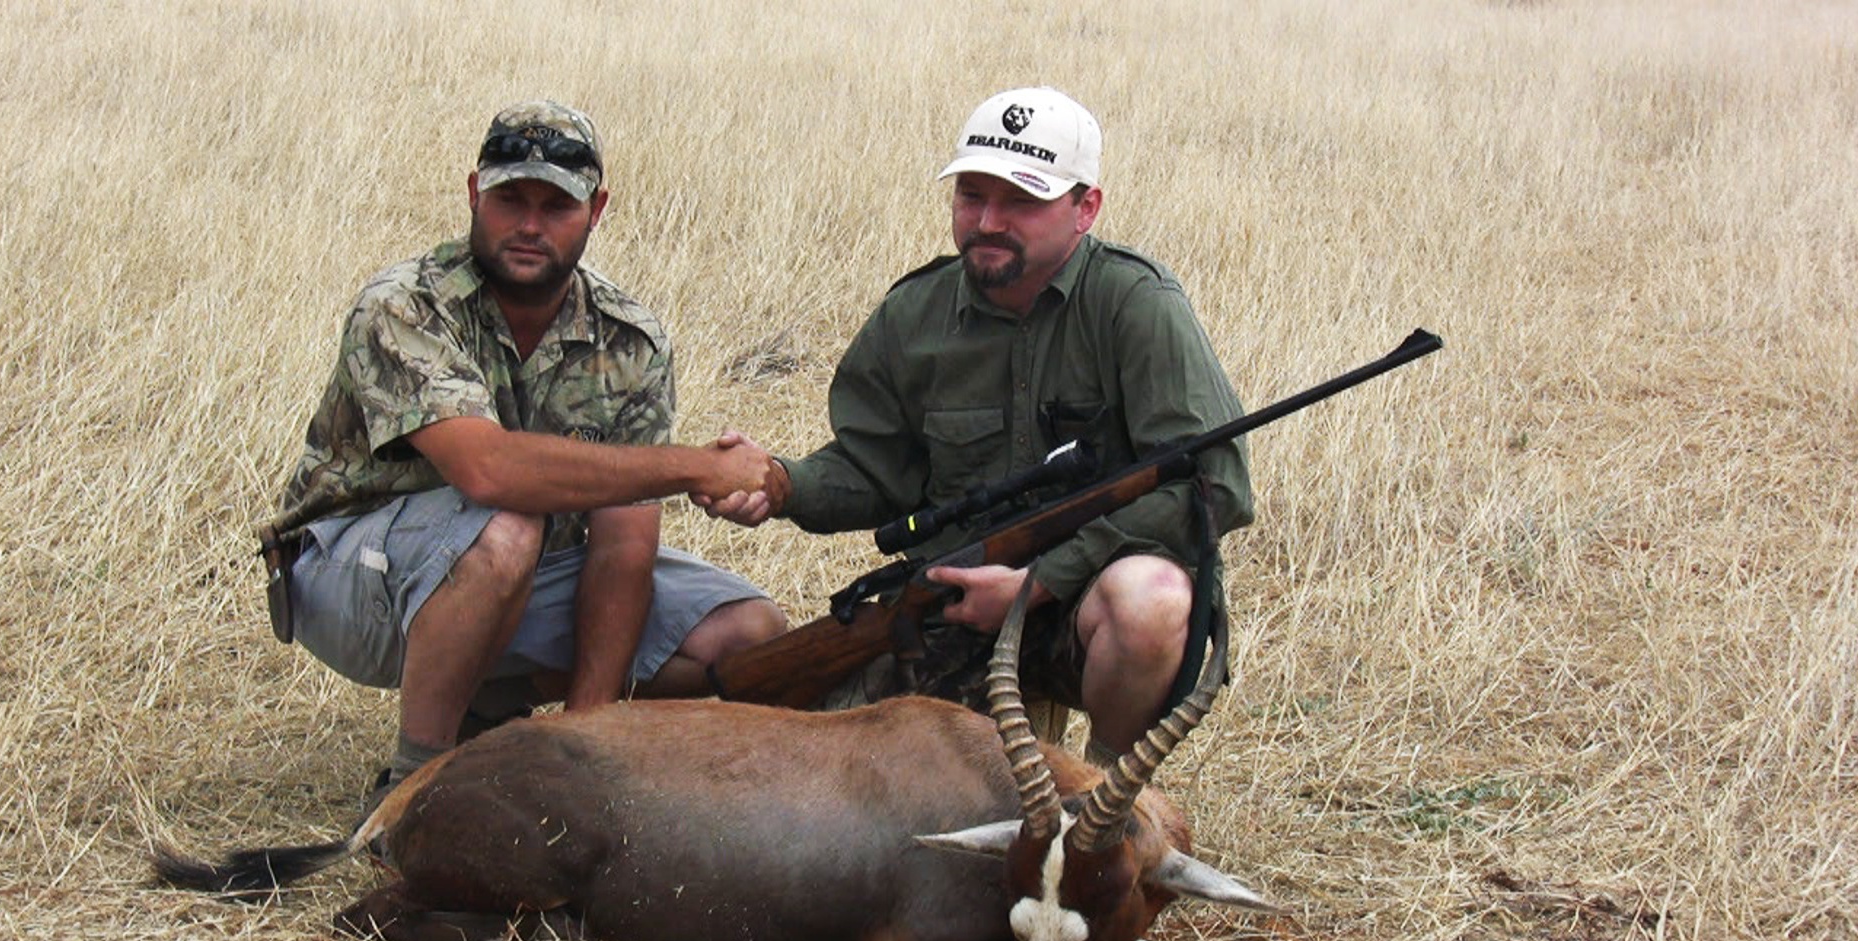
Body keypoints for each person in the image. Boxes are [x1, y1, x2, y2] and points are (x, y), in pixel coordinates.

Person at [701, 87, 1251, 764]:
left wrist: (1040, 581)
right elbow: (875, 470)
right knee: (831, 786)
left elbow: (1215, 484)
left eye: (1021, 200)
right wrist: (784, 483)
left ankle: (1103, 804)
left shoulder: (1137, 306)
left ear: (1086, 208)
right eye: (971, 196)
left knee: (1153, 598)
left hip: (1090, 601)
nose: (988, 222)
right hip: (954, 608)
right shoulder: (913, 313)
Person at [264, 100, 787, 796]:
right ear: (475, 192)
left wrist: (580, 743)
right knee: (507, 525)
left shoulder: (632, 340)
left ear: (597, 209)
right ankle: (417, 788)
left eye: (557, 205)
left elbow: (622, 548)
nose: (530, 226)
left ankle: (518, 725)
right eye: (511, 199)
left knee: (751, 635)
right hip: (349, 582)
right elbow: (488, 469)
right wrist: (700, 465)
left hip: (514, 570)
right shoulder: (403, 305)